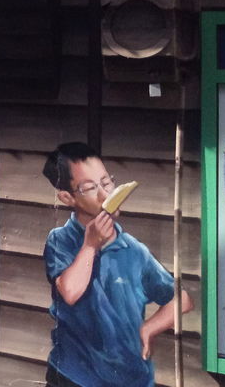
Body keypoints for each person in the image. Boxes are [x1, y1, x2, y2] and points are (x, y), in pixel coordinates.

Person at [41, 142, 193, 387]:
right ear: (67, 197)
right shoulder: (61, 239)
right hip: (74, 375)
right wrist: (90, 245)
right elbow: (70, 292)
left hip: (131, 377)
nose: (105, 195)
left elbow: (181, 299)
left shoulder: (133, 249)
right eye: (90, 188)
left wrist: (150, 327)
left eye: (107, 182)